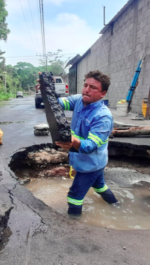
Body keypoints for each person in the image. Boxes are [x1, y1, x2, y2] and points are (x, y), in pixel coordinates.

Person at [54, 70, 118, 216]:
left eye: (93, 87)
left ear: (103, 93)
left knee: (74, 196)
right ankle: (116, 206)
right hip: (87, 160)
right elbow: (56, 104)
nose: (86, 90)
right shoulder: (78, 100)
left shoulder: (103, 116)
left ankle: (74, 225)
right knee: (99, 186)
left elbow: (89, 146)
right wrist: (47, 91)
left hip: (91, 164)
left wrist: (71, 141)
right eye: (85, 85)